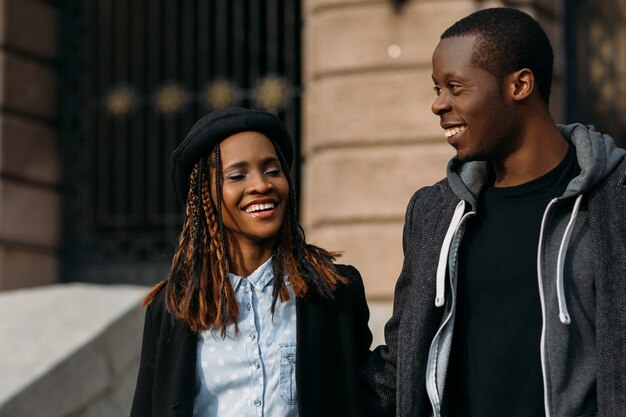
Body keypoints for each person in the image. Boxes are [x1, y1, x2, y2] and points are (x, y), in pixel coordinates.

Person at [361, 7, 626, 417]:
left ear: (519, 85)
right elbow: (402, 363)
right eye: (436, 89)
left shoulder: (614, 197)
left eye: (455, 87)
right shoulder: (434, 210)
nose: (438, 105)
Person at [130, 107, 372, 417]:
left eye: (273, 171)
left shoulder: (335, 291)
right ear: (206, 195)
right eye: (237, 175)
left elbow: (367, 395)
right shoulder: (173, 308)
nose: (261, 185)